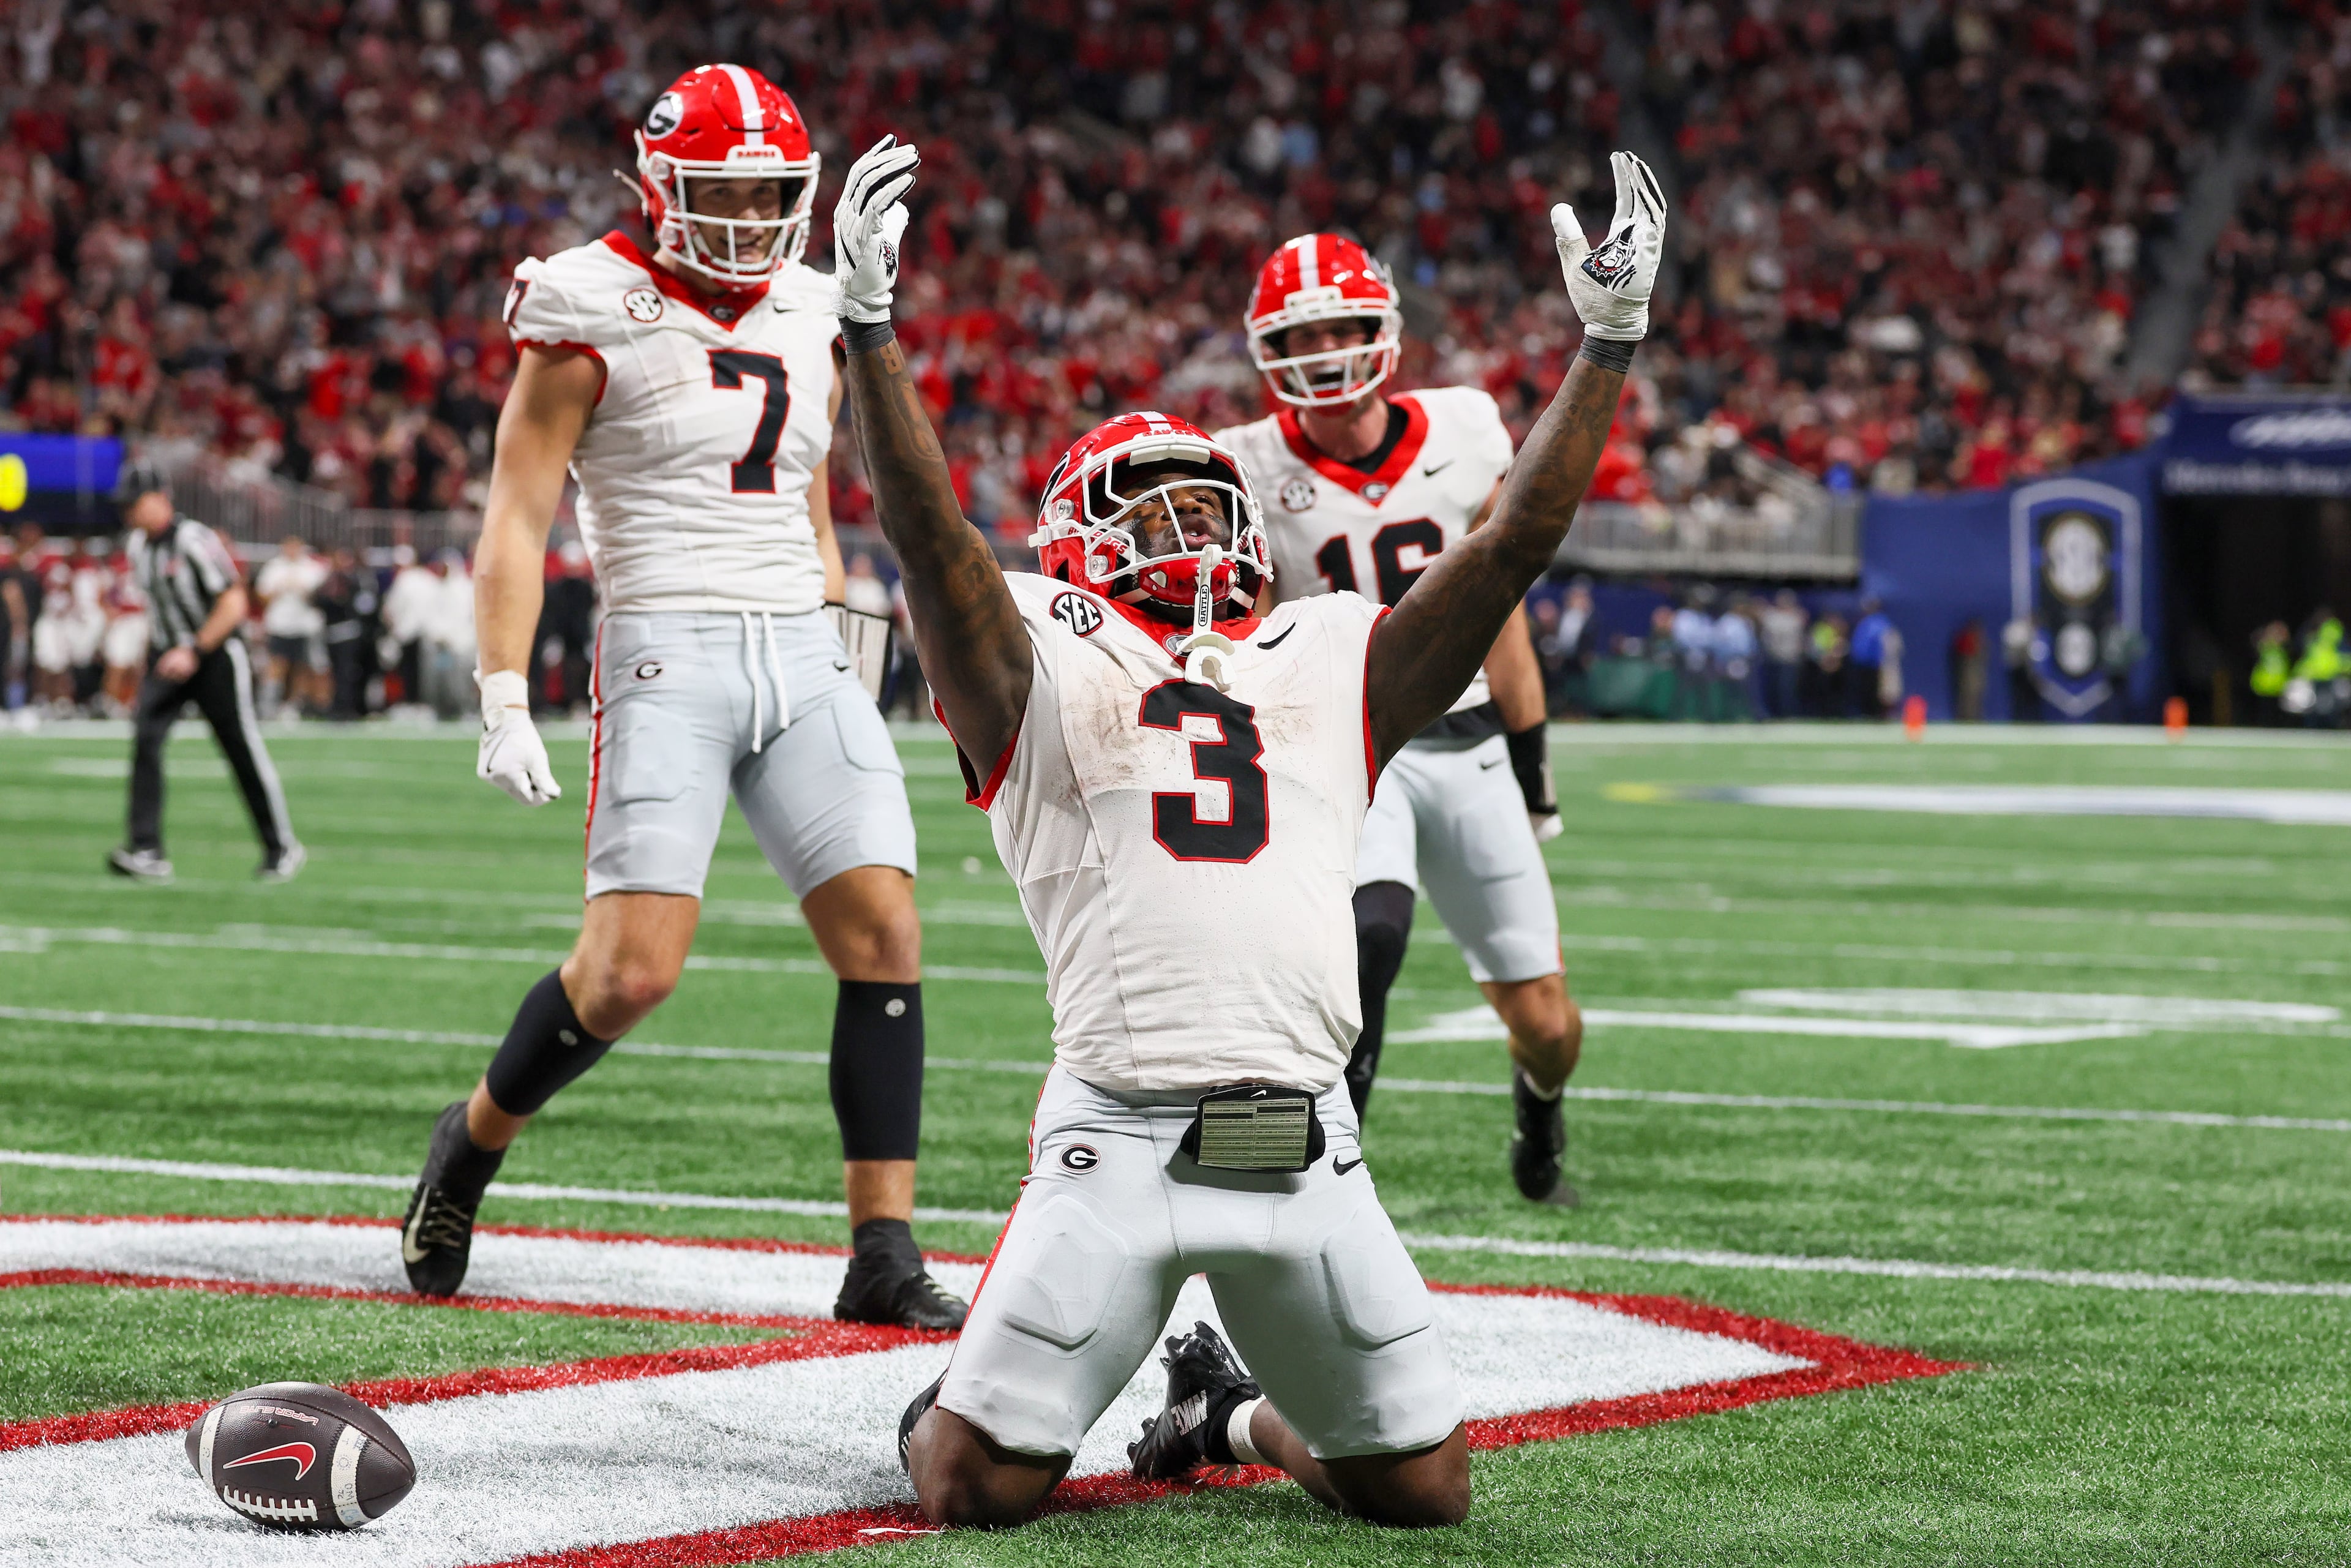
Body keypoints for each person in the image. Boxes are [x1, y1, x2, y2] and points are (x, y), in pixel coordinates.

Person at [837, 137, 1665, 1528]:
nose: (1194, 525)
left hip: (1306, 1145)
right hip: (1120, 1140)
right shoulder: (1034, 654)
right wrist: (867, 337)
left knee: (1422, 1490)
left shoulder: (1324, 648)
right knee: (973, 1483)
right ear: (1075, 543)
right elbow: (932, 552)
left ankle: (1220, 1408)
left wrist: (1607, 347)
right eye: (1150, 506)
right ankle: (958, 1397)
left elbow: (1509, 543)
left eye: (1208, 501)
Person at [398, 66, 961, 1333]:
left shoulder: (816, 303)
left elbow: (808, 486)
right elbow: (518, 513)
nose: (754, 216)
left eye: (774, 193)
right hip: (667, 641)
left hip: (799, 642)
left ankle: (883, 1246)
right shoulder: (585, 299)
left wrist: (841, 628)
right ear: (660, 190)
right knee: (631, 974)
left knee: (885, 934)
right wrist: (501, 688)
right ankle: (474, 1136)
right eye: (728, 191)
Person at [1213, 230, 1584, 1205]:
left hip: (1467, 744)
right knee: (1366, 938)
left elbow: (1498, 610)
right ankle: (1326, 1178)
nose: (1328, 352)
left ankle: (1539, 1107)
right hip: (1346, 738)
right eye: (1305, 334)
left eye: (1343, 327)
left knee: (1547, 1021)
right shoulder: (1242, 465)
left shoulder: (1464, 429)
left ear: (1383, 329)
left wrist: (1535, 761)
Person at [109, 460, 302, 883]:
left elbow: (233, 602)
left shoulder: (195, 539)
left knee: (240, 748)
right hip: (170, 655)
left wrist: (195, 649)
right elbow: (158, 613)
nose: (129, 513)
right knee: (146, 738)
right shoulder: (138, 547)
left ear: (160, 497)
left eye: (134, 503)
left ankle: (281, 846)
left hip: (213, 655)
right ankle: (146, 849)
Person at [254, 535, 328, 716]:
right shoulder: (274, 567)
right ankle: (269, 704)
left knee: (301, 666)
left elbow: (323, 598)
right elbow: (261, 596)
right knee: (278, 663)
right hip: (279, 624)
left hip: (305, 625)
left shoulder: (313, 568)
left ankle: (294, 705)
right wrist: (279, 590)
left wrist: (304, 591)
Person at [1758, 588, 1806, 718]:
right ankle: (1774, 714)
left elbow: (1800, 638)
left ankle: (1788, 714)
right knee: (1774, 688)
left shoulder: (1796, 617)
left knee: (1788, 689)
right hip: (1774, 658)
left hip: (1790, 659)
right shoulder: (1772, 616)